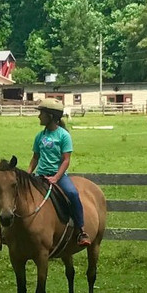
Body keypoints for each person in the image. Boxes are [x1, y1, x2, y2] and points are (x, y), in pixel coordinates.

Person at [29, 97, 90, 246]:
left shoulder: (64, 136)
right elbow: (35, 157)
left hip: (58, 176)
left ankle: (81, 231)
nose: (39, 116)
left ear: (50, 116)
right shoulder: (40, 136)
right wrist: (28, 173)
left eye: (41, 113)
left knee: (73, 194)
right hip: (40, 175)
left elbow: (66, 160)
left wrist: (56, 178)